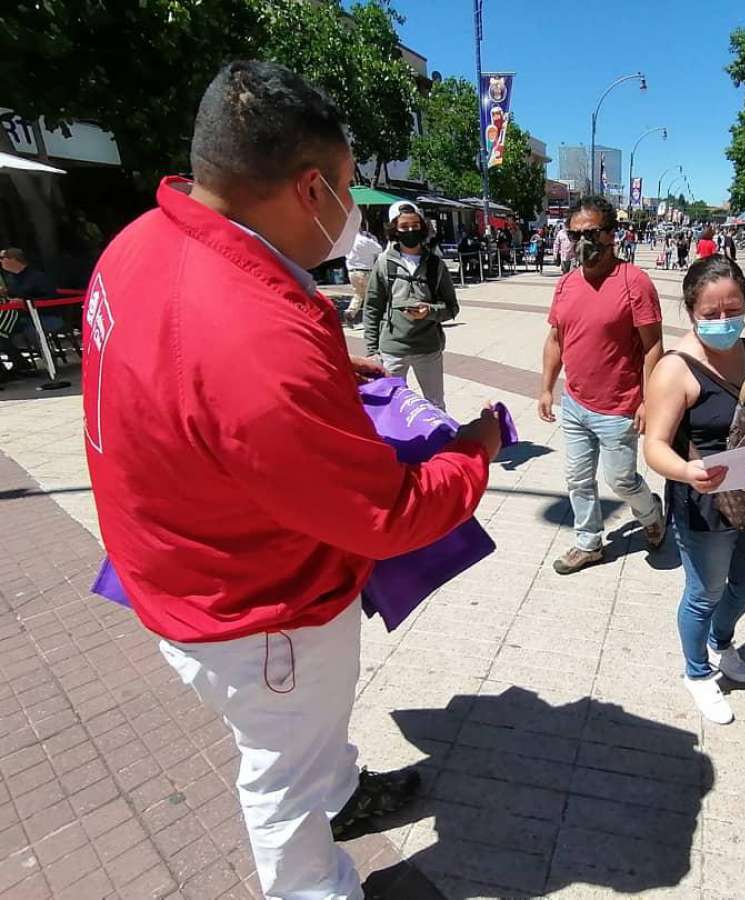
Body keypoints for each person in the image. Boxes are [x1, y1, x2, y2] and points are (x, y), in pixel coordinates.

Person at [80, 61, 503, 900]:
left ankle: (342, 793)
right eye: (348, 186)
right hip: (259, 612)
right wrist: (474, 451)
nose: (353, 211)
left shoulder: (141, 243)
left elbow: (182, 375)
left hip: (182, 567)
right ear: (311, 188)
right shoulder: (251, 334)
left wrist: (322, 365)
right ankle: (314, 886)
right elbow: (383, 515)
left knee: (308, 745)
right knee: (280, 777)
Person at [643, 255, 745, 724]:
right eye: (711, 314)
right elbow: (654, 446)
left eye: (733, 309)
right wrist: (685, 472)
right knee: (705, 591)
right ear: (690, 310)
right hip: (705, 502)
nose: (724, 321)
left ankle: (722, 641)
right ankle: (697, 673)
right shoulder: (674, 369)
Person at [538, 195, 667, 574]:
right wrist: (547, 387)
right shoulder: (565, 284)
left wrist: (648, 400)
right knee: (578, 479)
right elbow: (556, 339)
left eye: (592, 233)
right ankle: (588, 542)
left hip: (619, 407)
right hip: (575, 403)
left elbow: (653, 345)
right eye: (574, 234)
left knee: (622, 480)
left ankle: (651, 513)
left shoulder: (634, 282)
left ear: (613, 235)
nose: (583, 243)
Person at [364, 201, 459, 409]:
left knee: (435, 404)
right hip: (392, 348)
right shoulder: (383, 263)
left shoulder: (435, 264)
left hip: (428, 348)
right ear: (394, 229)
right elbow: (372, 308)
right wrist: (372, 350)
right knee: (390, 405)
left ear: (422, 227)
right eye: (404, 227)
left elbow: (452, 307)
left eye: (415, 226)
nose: (410, 231)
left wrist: (430, 312)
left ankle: (439, 441)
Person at [0, 248, 60, 379]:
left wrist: (25, 302)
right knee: (2, 333)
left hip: (45, 316)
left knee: (30, 330)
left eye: (2, 258)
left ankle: (49, 362)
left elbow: (52, 298)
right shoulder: (12, 279)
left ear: (13, 259)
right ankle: (19, 363)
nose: (0, 262)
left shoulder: (37, 277)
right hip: (20, 317)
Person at [344, 219, 382, 326]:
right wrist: (372, 238)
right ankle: (368, 320)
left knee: (358, 294)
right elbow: (379, 249)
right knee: (370, 296)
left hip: (352, 271)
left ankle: (350, 312)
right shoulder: (364, 240)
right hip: (364, 271)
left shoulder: (348, 240)